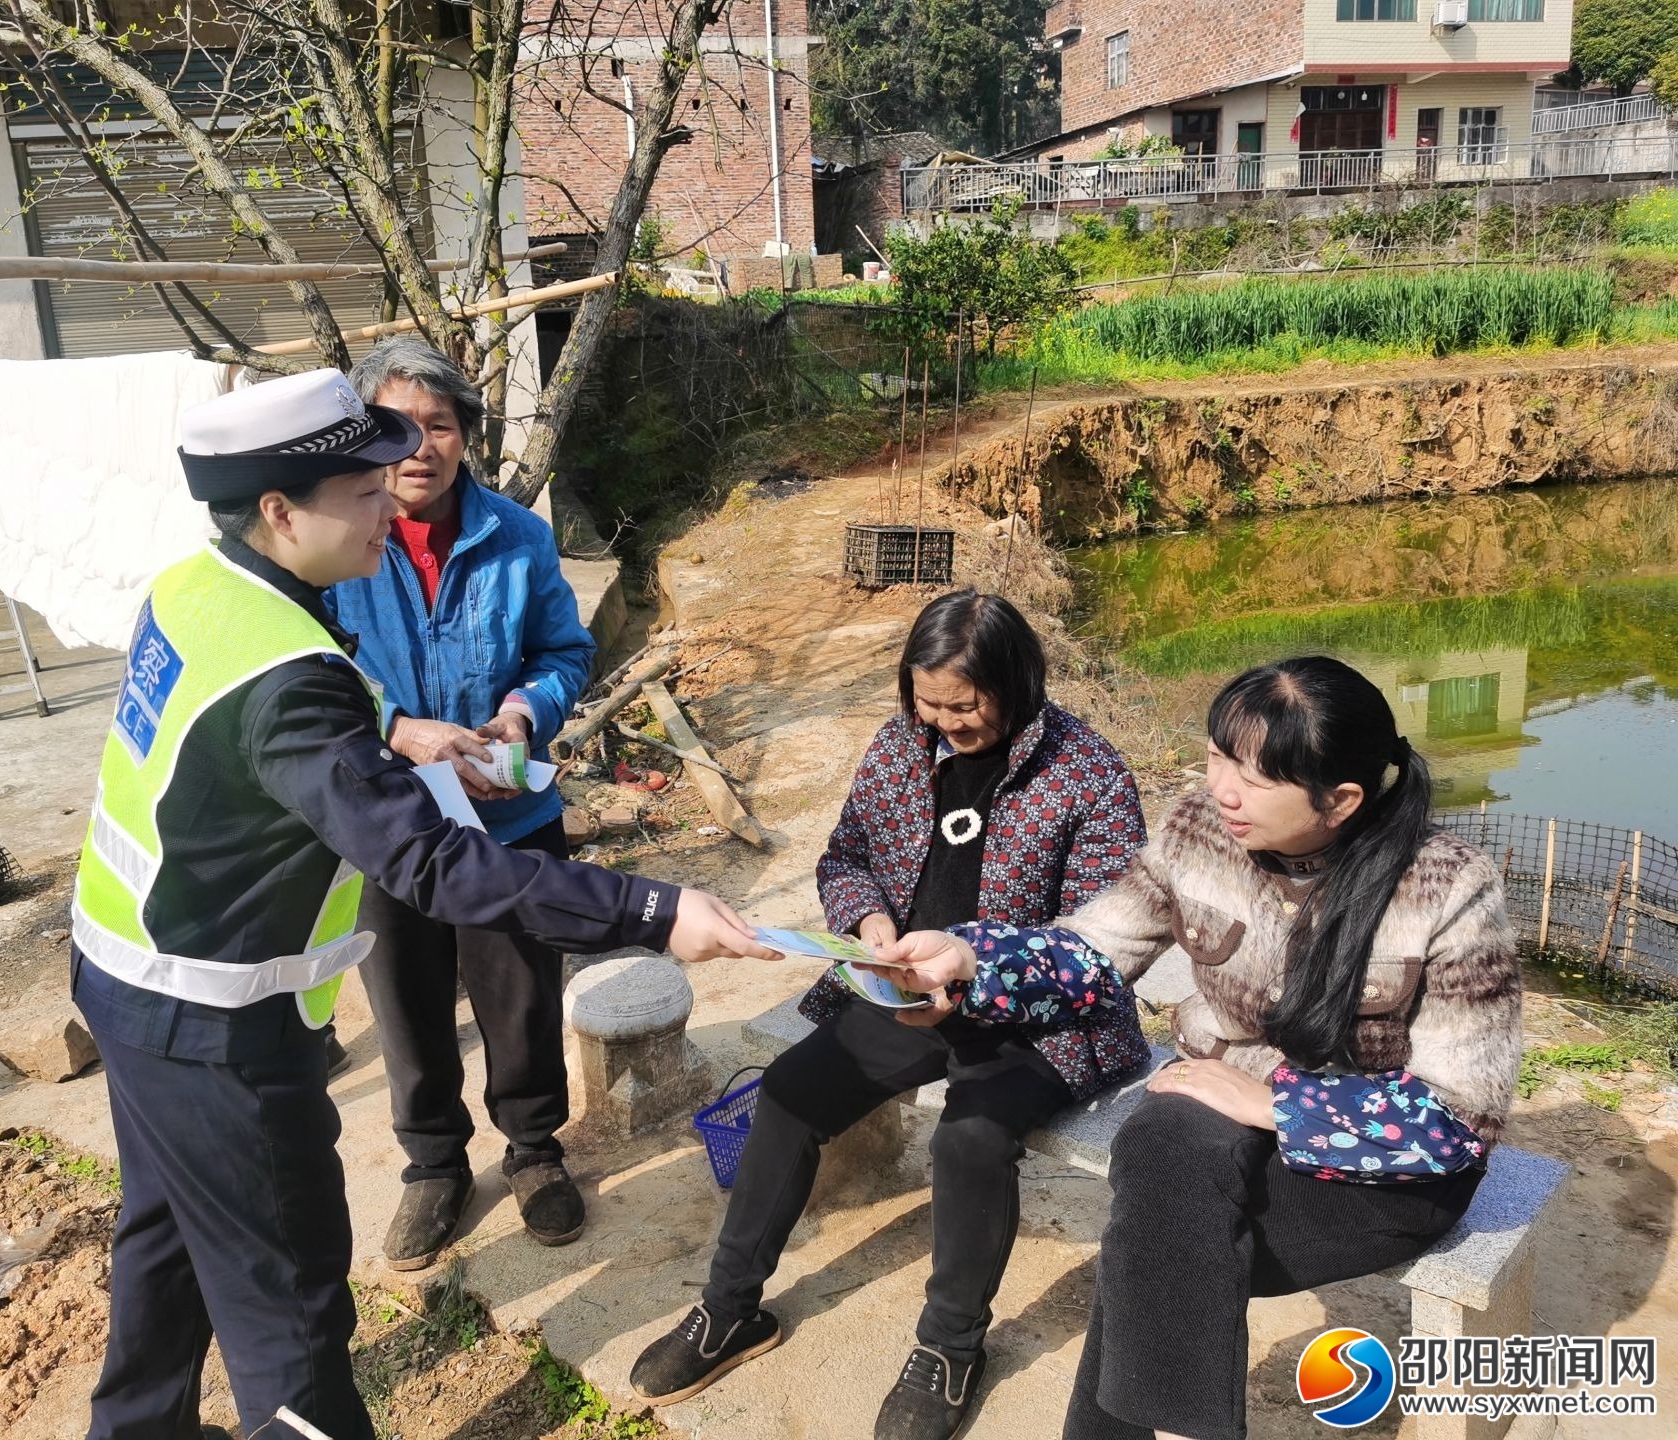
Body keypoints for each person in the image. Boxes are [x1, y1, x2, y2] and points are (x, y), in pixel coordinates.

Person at [69, 367, 777, 1440]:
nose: (387, 503)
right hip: (216, 1026)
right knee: (294, 1311)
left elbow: (325, 688)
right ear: (280, 511)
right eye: (362, 491)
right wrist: (651, 912)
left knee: (164, 1236)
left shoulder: (201, 588)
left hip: (127, 978)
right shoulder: (288, 676)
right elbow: (432, 864)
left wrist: (411, 732)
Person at [873, 656, 1521, 1440]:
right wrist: (970, 959)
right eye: (1218, 757)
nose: (1223, 790)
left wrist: (1280, 1104)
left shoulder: (1447, 887)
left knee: (1149, 1257)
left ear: (1340, 800)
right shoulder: (1198, 830)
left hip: (1378, 1158)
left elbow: (1460, 1117)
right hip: (1221, 1093)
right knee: (1162, 1165)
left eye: (1255, 777)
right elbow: (1096, 948)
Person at [629, 590, 1152, 1440]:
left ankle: (950, 1347)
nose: (942, 723)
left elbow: (1098, 948)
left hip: (1040, 1020)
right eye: (926, 701)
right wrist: (870, 924)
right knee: (787, 1094)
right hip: (905, 992)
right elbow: (847, 856)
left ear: (1017, 685)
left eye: (963, 706)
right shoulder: (900, 745)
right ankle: (730, 1308)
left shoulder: (1088, 774)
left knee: (969, 1141)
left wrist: (974, 973)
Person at [326, 337, 596, 1267]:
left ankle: (534, 1150)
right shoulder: (337, 540)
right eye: (397, 427)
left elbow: (563, 652)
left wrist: (523, 715)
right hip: (386, 820)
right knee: (405, 1003)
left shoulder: (517, 535)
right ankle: (434, 1166)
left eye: (439, 425)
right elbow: (314, 670)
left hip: (508, 814)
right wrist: (400, 728)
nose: (419, 446)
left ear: (465, 436)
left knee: (521, 993)